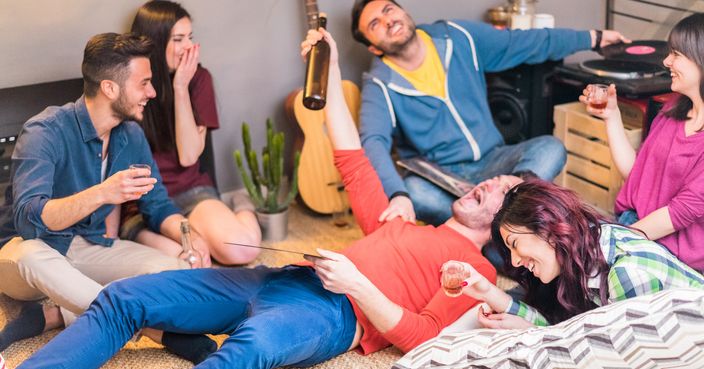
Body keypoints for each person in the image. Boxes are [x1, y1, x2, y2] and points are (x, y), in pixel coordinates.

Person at [13, 28, 533, 369]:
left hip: (338, 314)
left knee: (250, 350)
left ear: (508, 229)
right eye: (495, 179)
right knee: (125, 297)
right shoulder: (400, 218)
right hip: (283, 276)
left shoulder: (473, 271)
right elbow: (350, 154)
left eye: (504, 191)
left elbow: (422, 339)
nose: (489, 182)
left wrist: (357, 284)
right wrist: (325, 69)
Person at [0, 32, 216, 362]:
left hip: (86, 245)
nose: (152, 92)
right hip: (25, 253)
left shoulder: (130, 135)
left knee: (169, 266)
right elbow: (30, 219)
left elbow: (157, 203)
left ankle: (54, 315)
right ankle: (156, 331)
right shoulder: (45, 131)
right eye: (144, 83)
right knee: (31, 254)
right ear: (110, 88)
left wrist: (190, 234)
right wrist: (103, 192)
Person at [351, 0, 629, 226]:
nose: (388, 20)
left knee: (550, 147)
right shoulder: (379, 84)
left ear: (403, 11)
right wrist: (397, 195)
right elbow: (373, 141)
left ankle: (500, 216)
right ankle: (509, 226)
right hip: (443, 178)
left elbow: (523, 42)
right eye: (375, 24)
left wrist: (593, 38)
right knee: (414, 192)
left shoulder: (458, 36)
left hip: (495, 161)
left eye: (389, 9)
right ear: (374, 47)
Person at [118, 0, 261, 266]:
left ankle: (241, 205)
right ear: (155, 42)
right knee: (193, 260)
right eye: (178, 39)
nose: (188, 47)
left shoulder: (199, 79)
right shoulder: (129, 85)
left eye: (190, 38)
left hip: (191, 191)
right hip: (145, 205)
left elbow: (188, 156)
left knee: (243, 250)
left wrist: (181, 87)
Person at [451, 179, 704, 329]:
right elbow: (570, 329)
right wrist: (486, 291)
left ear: (548, 228)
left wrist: (531, 333)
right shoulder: (584, 247)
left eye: (515, 243)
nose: (515, 260)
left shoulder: (625, 275)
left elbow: (606, 356)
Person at [579, 13, 704, 272]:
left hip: (669, 254)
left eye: (677, 54)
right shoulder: (673, 111)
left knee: (572, 264)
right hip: (632, 223)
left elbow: (679, 213)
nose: (666, 61)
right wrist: (611, 115)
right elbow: (637, 175)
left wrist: (610, 243)